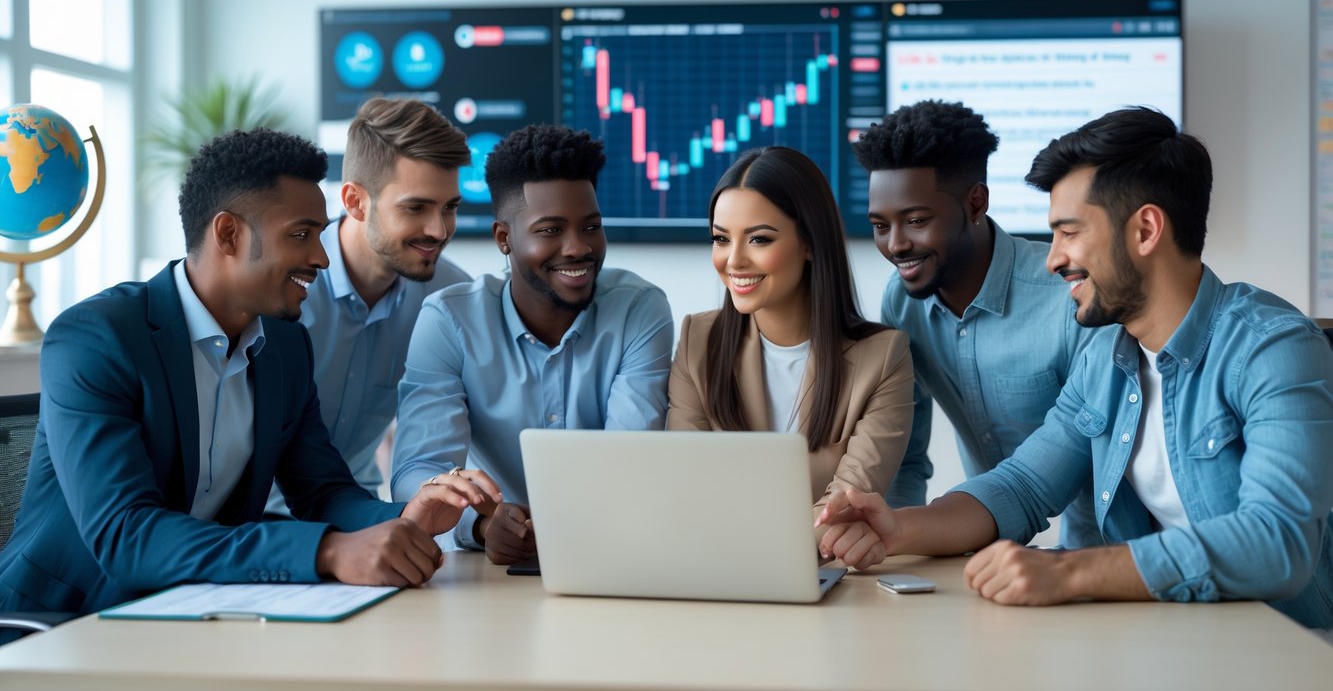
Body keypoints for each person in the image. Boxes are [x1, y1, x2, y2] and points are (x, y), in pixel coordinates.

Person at [818, 108, 1333, 629]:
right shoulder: (1107, 357)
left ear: (1146, 230)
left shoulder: (1275, 348)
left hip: (1290, 647)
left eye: (1069, 233)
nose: (1052, 258)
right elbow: (1021, 486)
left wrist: (1069, 571)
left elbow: (1278, 542)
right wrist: (897, 528)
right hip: (1173, 635)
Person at [0, 129, 501, 639]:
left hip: (199, 614)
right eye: (302, 235)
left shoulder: (284, 345)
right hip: (62, 627)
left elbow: (322, 492)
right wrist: (328, 550)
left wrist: (402, 517)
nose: (322, 258)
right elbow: (127, 534)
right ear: (228, 234)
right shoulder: (97, 338)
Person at [391, 124, 673, 565]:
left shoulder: (640, 310)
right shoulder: (448, 321)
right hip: (489, 573)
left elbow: (629, 465)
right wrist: (482, 526)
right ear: (504, 238)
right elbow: (418, 472)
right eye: (550, 230)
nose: (578, 248)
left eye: (591, 226)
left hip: (612, 554)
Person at [853, 100, 1102, 546]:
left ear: (975, 202)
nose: (895, 245)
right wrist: (888, 548)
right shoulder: (902, 302)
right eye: (879, 225)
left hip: (1101, 550)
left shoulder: (1068, 298)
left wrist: (1074, 571)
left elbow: (1086, 458)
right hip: (983, 544)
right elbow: (904, 453)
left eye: (916, 220)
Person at [666, 146, 913, 545]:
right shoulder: (698, 342)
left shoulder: (883, 358)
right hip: (713, 572)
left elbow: (845, 505)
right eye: (721, 239)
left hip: (823, 579)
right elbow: (686, 487)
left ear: (809, 243)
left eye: (759, 239)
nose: (734, 260)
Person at [264, 98, 471, 516]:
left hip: (359, 517)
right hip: (252, 523)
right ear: (355, 202)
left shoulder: (450, 300)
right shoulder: (279, 288)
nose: (439, 230)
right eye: (416, 208)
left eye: (449, 207)